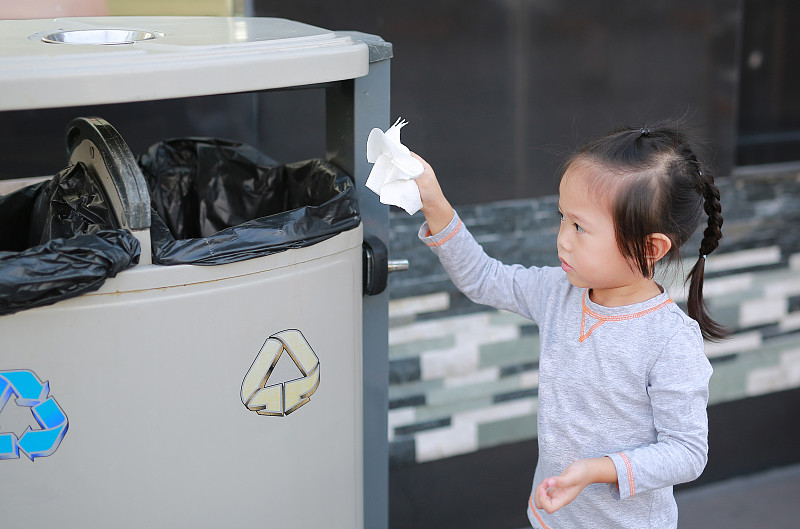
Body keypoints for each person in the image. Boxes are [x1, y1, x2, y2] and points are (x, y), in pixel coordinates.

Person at [412, 120, 724, 529]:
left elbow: (686, 452)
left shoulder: (669, 340)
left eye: (580, 227)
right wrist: (434, 201)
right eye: (562, 217)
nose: (562, 238)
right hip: (551, 517)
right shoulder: (559, 292)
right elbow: (483, 278)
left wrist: (597, 469)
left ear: (649, 248)